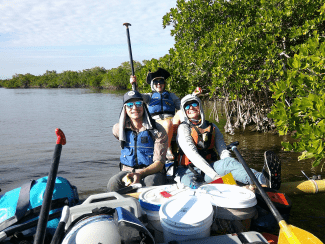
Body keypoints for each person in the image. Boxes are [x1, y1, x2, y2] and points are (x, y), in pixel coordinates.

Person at [176, 94, 281, 189]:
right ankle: (260, 180)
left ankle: (263, 180)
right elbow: (193, 155)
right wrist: (216, 176)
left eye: (194, 104)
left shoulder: (212, 127)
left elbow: (223, 151)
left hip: (209, 168)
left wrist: (229, 168)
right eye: (187, 106)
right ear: (184, 111)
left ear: (200, 106)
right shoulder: (183, 128)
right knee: (224, 172)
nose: (191, 108)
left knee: (230, 166)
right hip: (188, 171)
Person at [107, 90, 168, 192]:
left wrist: (140, 174)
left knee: (149, 184)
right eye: (130, 105)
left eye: (138, 104)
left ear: (144, 106)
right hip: (127, 171)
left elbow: (159, 163)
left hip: (151, 172)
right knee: (113, 183)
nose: (134, 108)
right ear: (125, 109)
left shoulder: (157, 130)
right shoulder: (118, 129)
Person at [130, 68, 181, 161]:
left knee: (179, 114)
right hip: (156, 122)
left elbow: (182, 107)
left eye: (161, 82)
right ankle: (167, 148)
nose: (159, 84)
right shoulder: (149, 96)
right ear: (152, 85)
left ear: (164, 84)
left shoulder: (171, 95)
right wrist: (134, 85)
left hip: (170, 121)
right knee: (167, 123)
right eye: (156, 82)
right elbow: (137, 96)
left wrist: (193, 96)